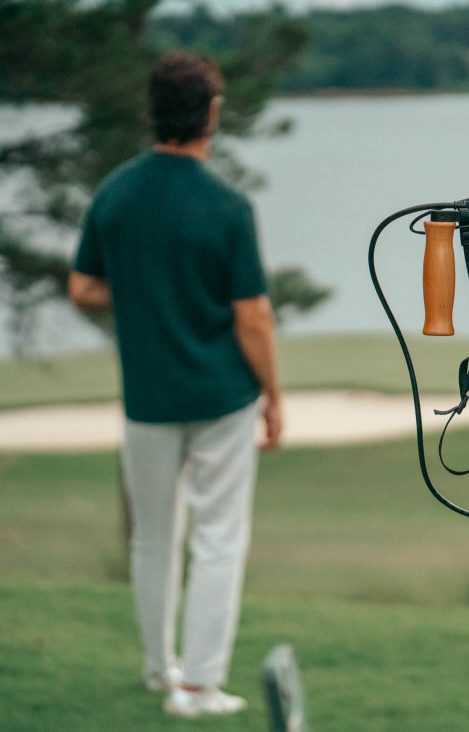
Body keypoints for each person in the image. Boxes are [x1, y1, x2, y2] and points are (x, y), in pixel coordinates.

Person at [68, 51, 283, 716]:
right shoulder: (225, 205)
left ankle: (161, 669)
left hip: (147, 397)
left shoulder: (116, 193)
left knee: (152, 538)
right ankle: (198, 687)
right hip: (220, 397)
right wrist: (274, 396)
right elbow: (253, 317)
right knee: (219, 538)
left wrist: (137, 295)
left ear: (152, 112)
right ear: (212, 114)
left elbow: (83, 286)